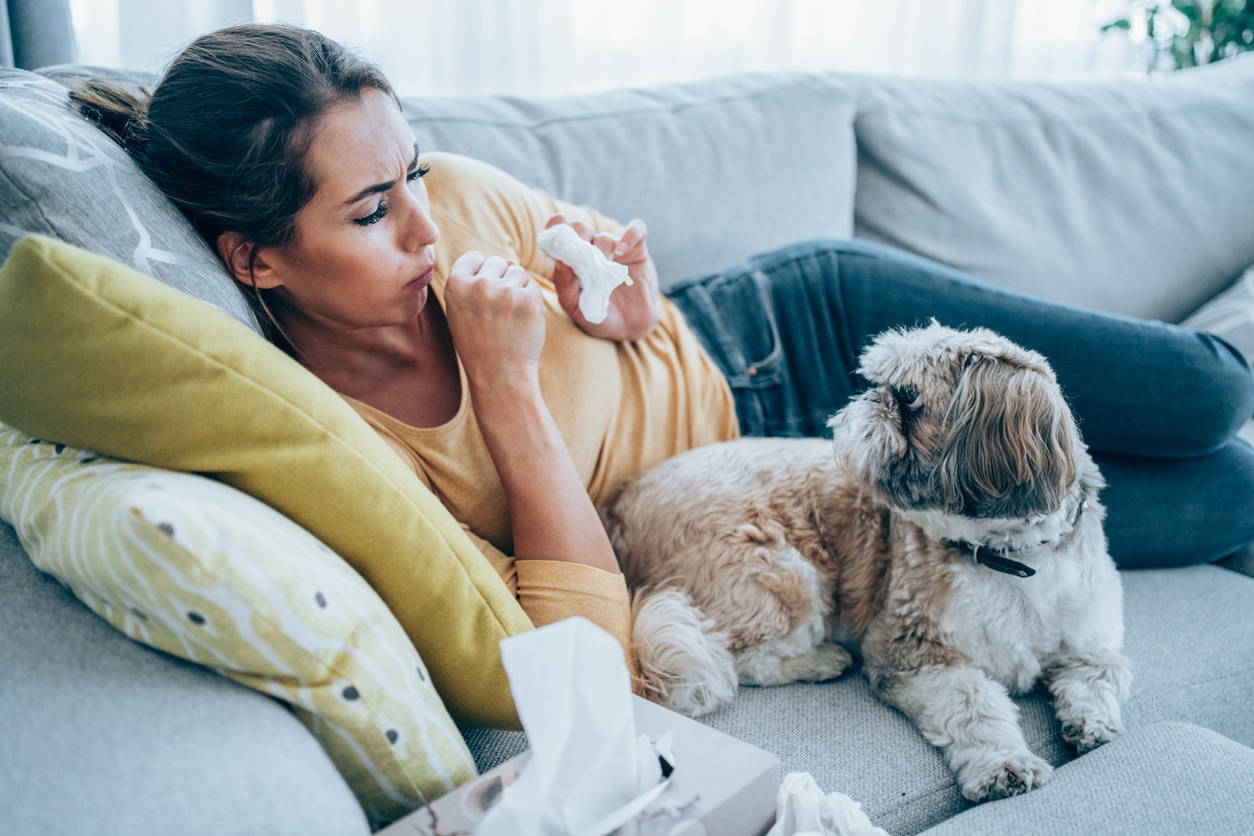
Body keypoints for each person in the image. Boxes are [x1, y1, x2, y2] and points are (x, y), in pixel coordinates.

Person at [74, 24, 1254, 665]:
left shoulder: (468, 207)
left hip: (792, 329)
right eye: (374, 212)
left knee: (1206, 396)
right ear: (254, 260)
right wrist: (506, 386)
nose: (431, 227)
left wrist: (625, 302)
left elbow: (620, 293)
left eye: (415, 172)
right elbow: (584, 648)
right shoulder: (345, 443)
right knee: (1226, 497)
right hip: (812, 503)